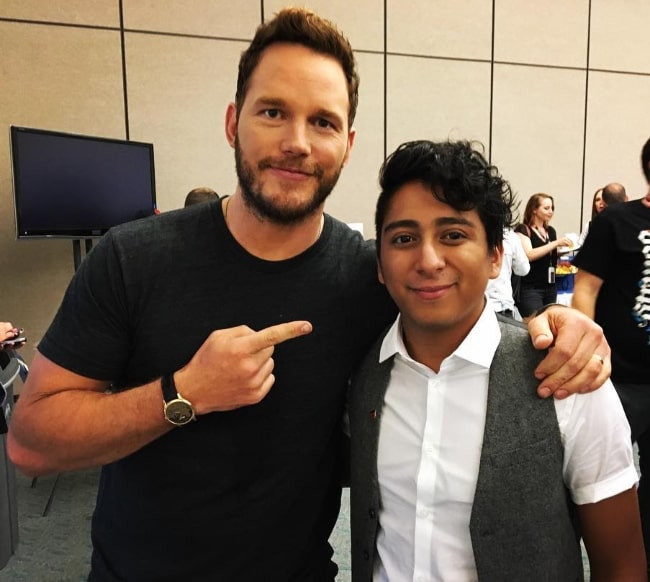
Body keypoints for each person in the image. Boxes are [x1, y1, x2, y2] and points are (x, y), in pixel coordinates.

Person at [7, 8, 611, 582]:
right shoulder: (132, 258)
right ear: (231, 123)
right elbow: (31, 442)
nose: (297, 141)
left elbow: (462, 312)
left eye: (321, 121)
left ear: (346, 143)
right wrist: (184, 392)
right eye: (272, 112)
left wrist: (564, 322)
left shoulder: (371, 277)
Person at [348, 140, 645, 581]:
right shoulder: (362, 374)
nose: (428, 261)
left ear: (495, 257)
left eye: (453, 235)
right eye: (404, 238)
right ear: (380, 263)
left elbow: (621, 565)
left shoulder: (567, 377)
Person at [572, 138, 650, 570]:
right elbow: (585, 288)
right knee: (602, 481)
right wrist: (590, 354)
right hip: (618, 378)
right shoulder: (617, 221)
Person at [515, 193, 573, 320]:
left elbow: (548, 253)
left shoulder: (550, 231)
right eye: (546, 208)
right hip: (531, 289)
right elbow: (529, 254)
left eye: (552, 208)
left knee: (550, 323)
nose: (550, 212)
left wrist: (565, 250)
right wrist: (556, 243)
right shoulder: (523, 229)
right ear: (534, 209)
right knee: (534, 324)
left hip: (550, 286)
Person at [486, 227, 529, 319]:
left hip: (472, 309)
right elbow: (523, 269)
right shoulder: (510, 236)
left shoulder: (470, 231)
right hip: (501, 305)